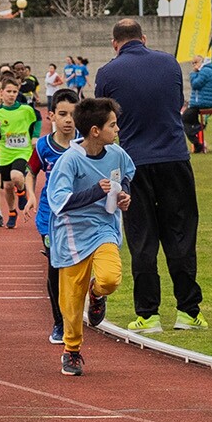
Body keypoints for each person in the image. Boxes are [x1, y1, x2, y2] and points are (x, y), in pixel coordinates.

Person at [94, 20, 203, 332]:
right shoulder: (169, 63)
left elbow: (104, 118)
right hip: (174, 158)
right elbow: (175, 103)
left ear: (115, 43)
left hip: (132, 162)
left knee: (142, 237)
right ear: (144, 38)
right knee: (180, 233)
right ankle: (188, 311)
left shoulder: (107, 73)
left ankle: (148, 314)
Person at [45, 96, 134, 376]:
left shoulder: (117, 154)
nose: (117, 129)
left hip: (103, 226)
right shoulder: (69, 161)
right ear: (95, 131)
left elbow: (127, 176)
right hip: (71, 233)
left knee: (110, 278)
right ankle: (71, 350)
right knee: (71, 302)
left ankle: (97, 294)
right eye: (113, 125)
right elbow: (59, 201)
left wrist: (125, 195)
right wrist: (96, 191)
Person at [31, 88, 78, 344]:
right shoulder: (43, 145)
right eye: (62, 114)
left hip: (82, 216)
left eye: (73, 114)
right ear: (51, 116)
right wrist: (30, 195)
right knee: (55, 269)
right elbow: (31, 170)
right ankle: (60, 323)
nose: (68, 119)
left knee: (81, 268)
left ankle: (89, 301)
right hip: (51, 218)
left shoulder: (86, 143)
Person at [0, 82, 40, 229]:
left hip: (23, 151)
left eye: (14, 91)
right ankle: (12, 212)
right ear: (2, 92)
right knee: (8, 186)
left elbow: (38, 120)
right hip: (5, 153)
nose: (11, 94)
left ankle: (22, 193)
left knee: (16, 176)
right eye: (8, 91)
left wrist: (35, 135)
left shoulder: (26, 109)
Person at [184, 54, 212, 153]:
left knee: (184, 119)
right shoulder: (209, 70)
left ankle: (198, 141)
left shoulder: (205, 71)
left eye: (196, 62)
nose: (194, 65)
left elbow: (196, 84)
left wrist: (193, 73)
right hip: (207, 101)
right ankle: (198, 132)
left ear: (202, 62)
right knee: (188, 119)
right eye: (193, 63)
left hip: (204, 103)